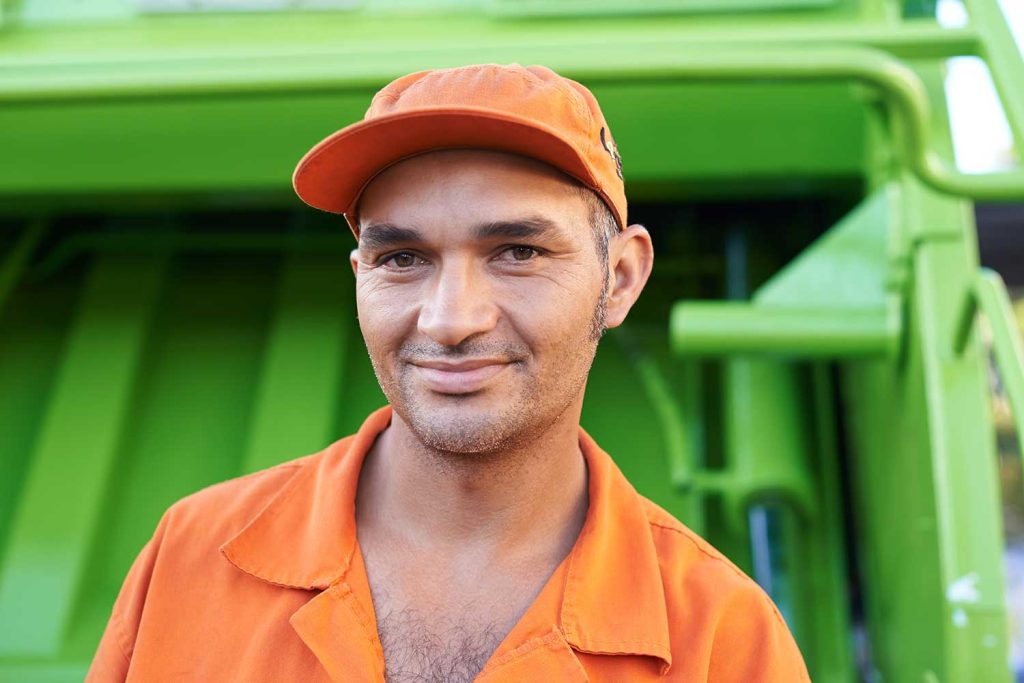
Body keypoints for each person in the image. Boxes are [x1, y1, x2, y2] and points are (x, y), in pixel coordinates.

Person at [86, 63, 810, 682]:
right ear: (360, 276)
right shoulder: (192, 558)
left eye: (518, 252)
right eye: (402, 258)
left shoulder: (723, 638)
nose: (449, 319)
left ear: (619, 278)